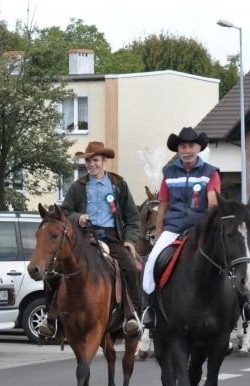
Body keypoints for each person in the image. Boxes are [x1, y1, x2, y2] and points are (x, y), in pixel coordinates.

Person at [38, 141, 141, 339]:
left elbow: (132, 217)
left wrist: (129, 240)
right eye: (88, 161)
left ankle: (131, 315)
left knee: (131, 266)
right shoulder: (78, 187)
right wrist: (78, 218)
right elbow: (64, 212)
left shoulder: (119, 185)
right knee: (53, 272)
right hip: (83, 239)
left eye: (95, 160)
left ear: (104, 161)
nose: (91, 164)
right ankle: (51, 320)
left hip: (111, 237)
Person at [141, 127, 225, 328]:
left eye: (191, 146)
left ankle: (238, 307)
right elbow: (163, 207)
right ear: (178, 150)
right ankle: (148, 310)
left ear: (198, 148)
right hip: (174, 227)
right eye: (183, 146)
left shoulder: (210, 173)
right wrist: (160, 235)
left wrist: (207, 228)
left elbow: (213, 204)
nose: (187, 150)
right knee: (151, 260)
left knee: (225, 260)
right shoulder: (168, 173)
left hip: (201, 227)